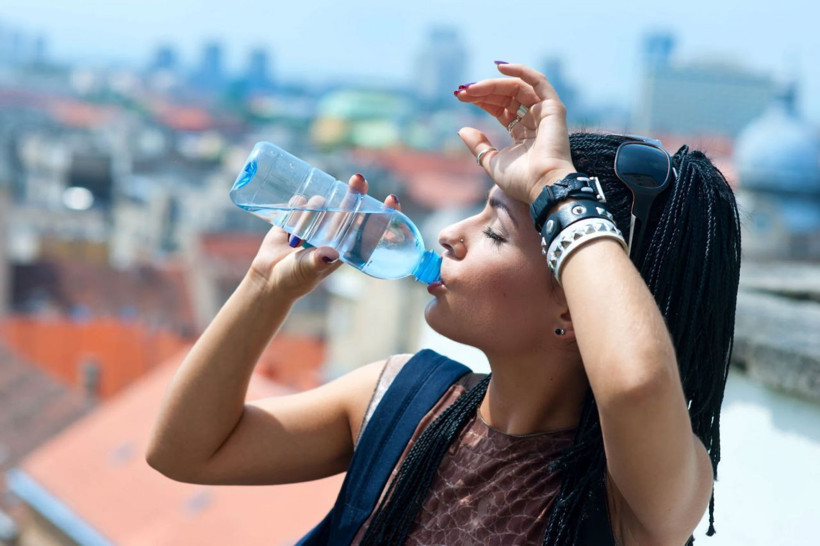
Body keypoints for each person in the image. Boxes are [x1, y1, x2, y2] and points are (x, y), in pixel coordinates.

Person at [146, 62, 741, 545]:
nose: (453, 233)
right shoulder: (403, 398)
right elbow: (185, 451)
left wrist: (556, 188)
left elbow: (636, 384)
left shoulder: (631, 501)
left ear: (573, 304)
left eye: (496, 231)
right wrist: (262, 287)